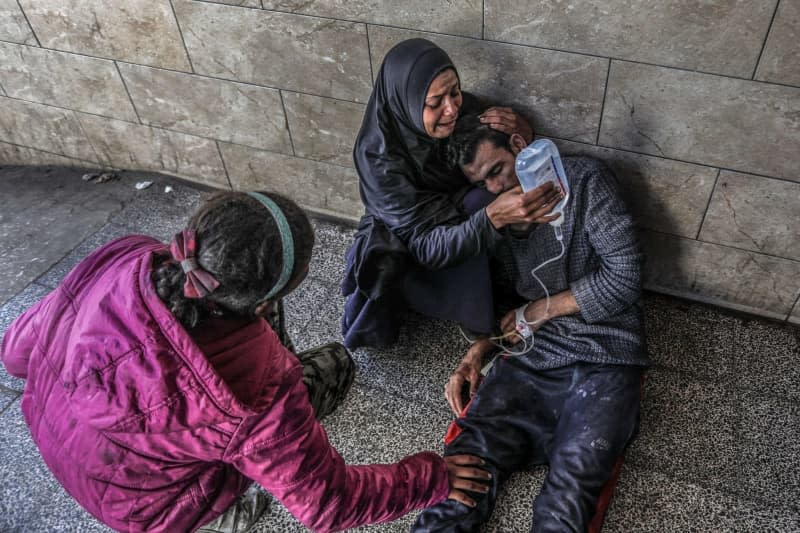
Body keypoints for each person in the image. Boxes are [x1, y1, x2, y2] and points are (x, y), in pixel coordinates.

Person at [0, 191, 492, 533]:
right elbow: (329, 505)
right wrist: (435, 477)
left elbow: (16, 353)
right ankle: (225, 513)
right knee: (337, 363)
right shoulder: (259, 391)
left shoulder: (130, 257)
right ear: (262, 306)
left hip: (58, 439)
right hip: (152, 511)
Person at [412, 114, 650, 532]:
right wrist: (477, 351)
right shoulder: (495, 218)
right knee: (464, 466)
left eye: (498, 172)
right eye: (482, 184)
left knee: (571, 491)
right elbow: (502, 304)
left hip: (605, 354)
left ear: (522, 147)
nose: (496, 191)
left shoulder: (586, 182)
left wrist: (541, 310)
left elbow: (626, 275)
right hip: (530, 358)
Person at [341, 38, 563, 349]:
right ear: (407, 101)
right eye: (435, 103)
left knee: (487, 197)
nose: (451, 109)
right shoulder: (379, 161)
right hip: (413, 240)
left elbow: (492, 154)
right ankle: (474, 320)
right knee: (481, 211)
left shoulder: (462, 110)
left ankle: (505, 285)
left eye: (455, 92)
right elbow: (426, 245)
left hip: (453, 208)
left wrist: (523, 135)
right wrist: (492, 217)